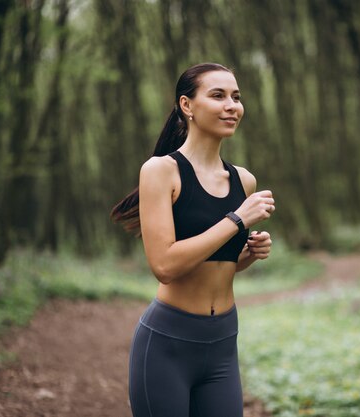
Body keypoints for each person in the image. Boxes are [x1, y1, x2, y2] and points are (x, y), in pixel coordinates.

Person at [110, 62, 275, 417]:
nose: (232, 105)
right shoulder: (160, 171)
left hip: (222, 345)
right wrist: (237, 220)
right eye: (218, 95)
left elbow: (218, 263)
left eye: (236, 97)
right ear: (187, 105)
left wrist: (249, 253)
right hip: (168, 345)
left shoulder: (243, 180)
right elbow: (166, 266)